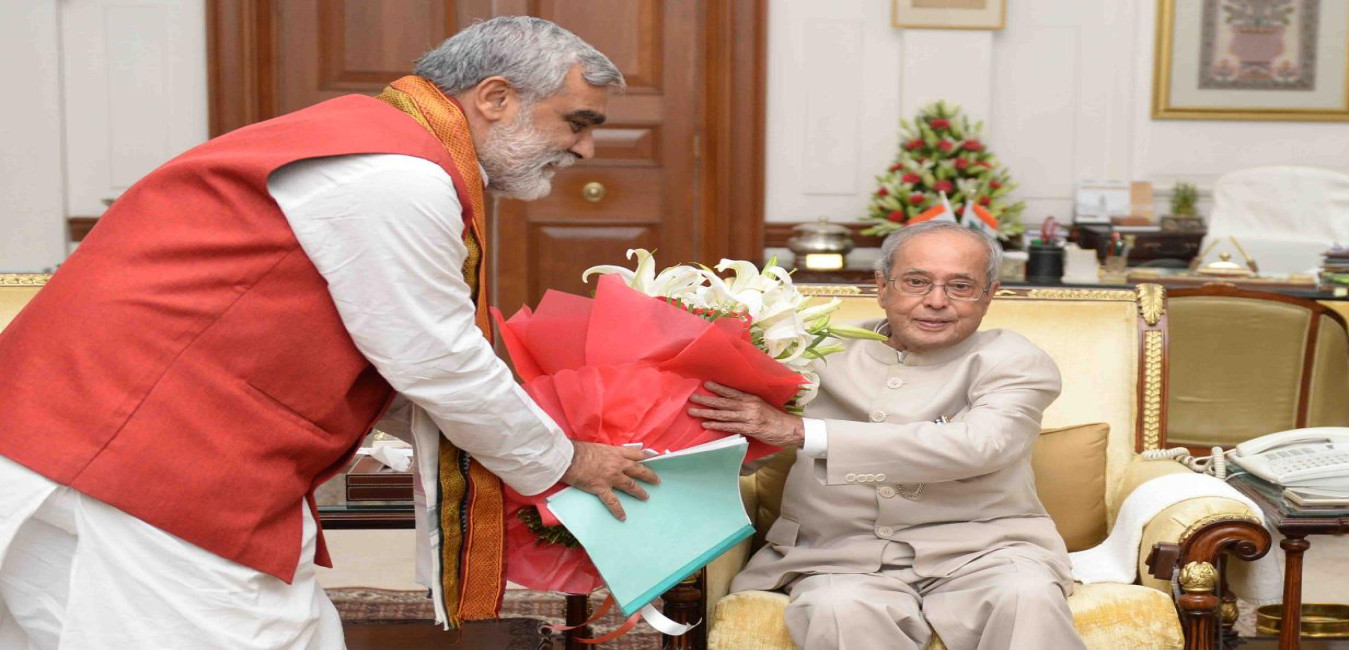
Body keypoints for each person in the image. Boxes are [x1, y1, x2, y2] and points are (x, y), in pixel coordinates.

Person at [0, 16, 658, 649]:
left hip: (99, 448)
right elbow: (437, 362)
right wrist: (565, 461)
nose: (585, 149)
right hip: (138, 461)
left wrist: (532, 436)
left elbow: (400, 358)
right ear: (495, 97)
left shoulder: (381, 144)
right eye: (578, 122)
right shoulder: (395, 173)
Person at [688, 221, 1085, 650]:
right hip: (838, 555)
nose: (936, 301)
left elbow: (982, 445)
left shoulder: (1014, 359)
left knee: (1026, 597)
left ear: (989, 295)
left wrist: (801, 432)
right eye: (916, 282)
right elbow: (746, 450)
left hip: (986, 553)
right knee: (837, 608)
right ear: (881, 287)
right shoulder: (811, 352)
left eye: (960, 286)